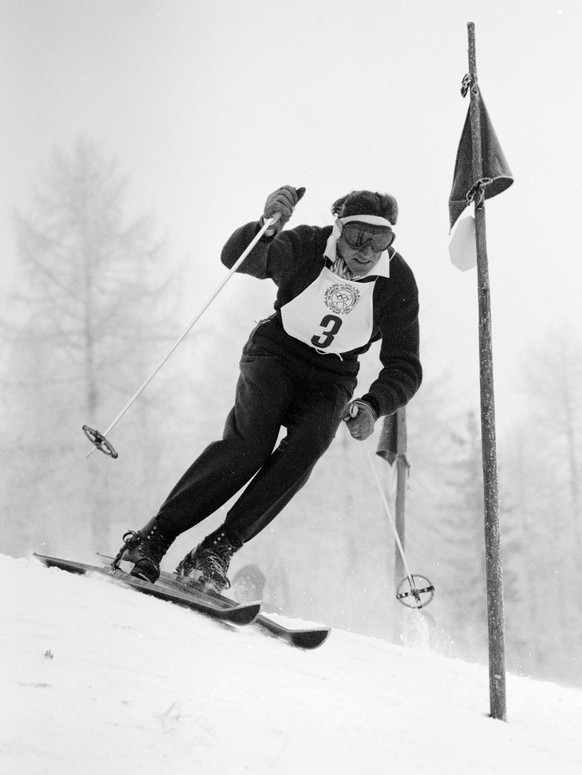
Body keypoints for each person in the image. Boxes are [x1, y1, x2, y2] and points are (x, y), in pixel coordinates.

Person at [115, 185, 422, 592]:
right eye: (356, 240)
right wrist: (267, 227)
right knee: (250, 445)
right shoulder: (309, 244)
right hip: (276, 354)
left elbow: (405, 365)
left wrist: (373, 405)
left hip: (333, 375)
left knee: (309, 445)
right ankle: (153, 539)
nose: (366, 253)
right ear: (339, 228)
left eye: (379, 242)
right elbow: (242, 259)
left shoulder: (396, 280)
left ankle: (216, 551)